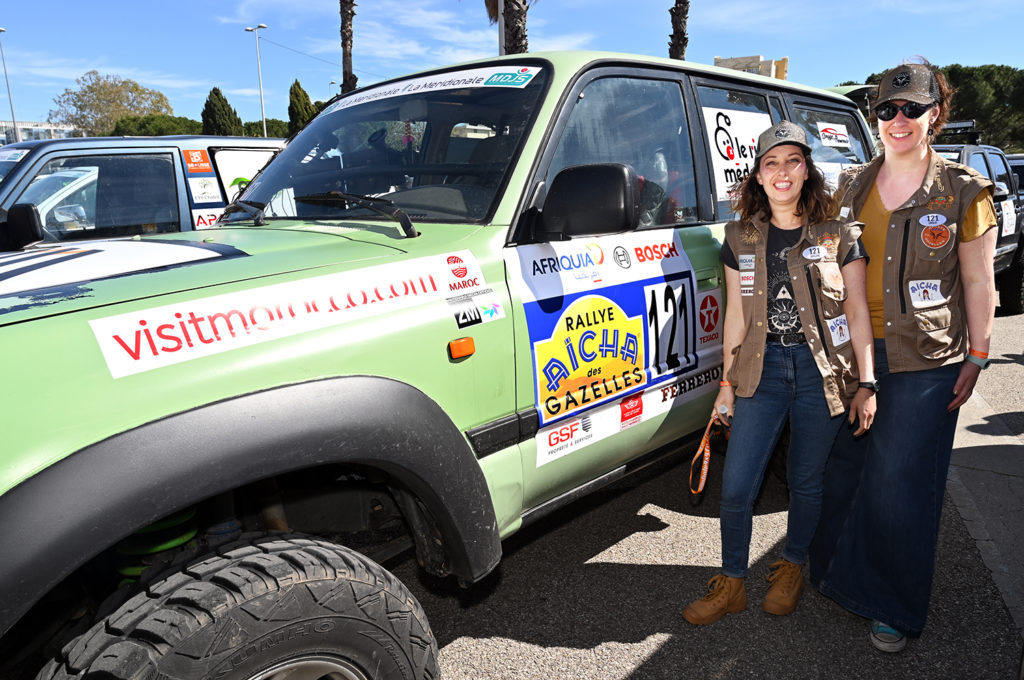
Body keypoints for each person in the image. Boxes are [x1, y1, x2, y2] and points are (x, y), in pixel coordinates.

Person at [809, 61, 998, 653]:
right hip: (854, 353)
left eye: (911, 109)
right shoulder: (851, 186)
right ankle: (839, 577)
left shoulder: (964, 192)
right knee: (844, 469)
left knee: (900, 480)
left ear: (934, 114)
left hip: (928, 357)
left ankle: (894, 605)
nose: (898, 120)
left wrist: (979, 355)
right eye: (887, 110)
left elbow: (979, 283)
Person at [683, 121, 876, 625]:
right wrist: (726, 384)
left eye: (793, 160)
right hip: (759, 371)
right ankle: (732, 582)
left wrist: (868, 382)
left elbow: (857, 312)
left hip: (821, 373)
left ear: (807, 170)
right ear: (758, 175)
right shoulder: (739, 236)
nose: (783, 171)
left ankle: (791, 566)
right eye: (772, 162)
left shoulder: (838, 232)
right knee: (737, 485)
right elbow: (736, 316)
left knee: (805, 481)